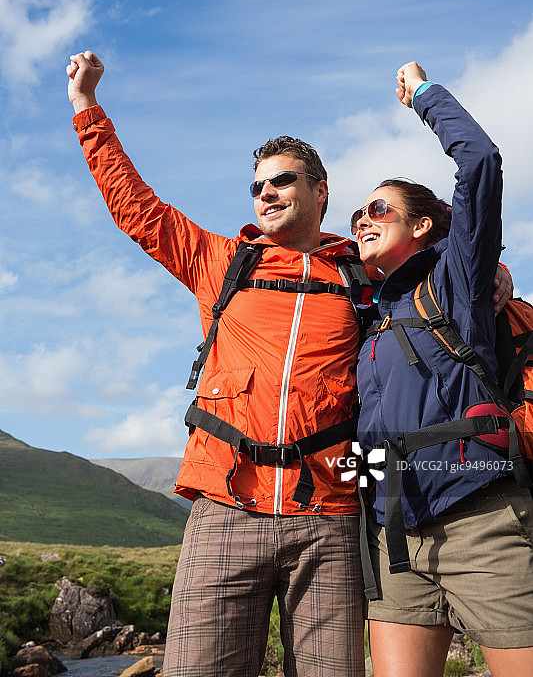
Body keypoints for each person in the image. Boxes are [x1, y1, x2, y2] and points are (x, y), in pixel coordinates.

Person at [66, 51, 511, 677]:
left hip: (329, 520)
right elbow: (135, 207)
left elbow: (447, 252)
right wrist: (87, 109)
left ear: (319, 191)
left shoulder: (361, 275)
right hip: (226, 506)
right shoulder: (222, 262)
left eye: (281, 181)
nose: (265, 193)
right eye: (256, 186)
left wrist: (497, 272)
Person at [353, 61, 533, 677]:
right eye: (355, 217)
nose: (362, 221)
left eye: (377, 208)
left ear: (422, 226)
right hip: (394, 532)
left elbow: (480, 162)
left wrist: (427, 96)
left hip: (481, 516)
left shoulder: (456, 278)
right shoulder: (367, 311)